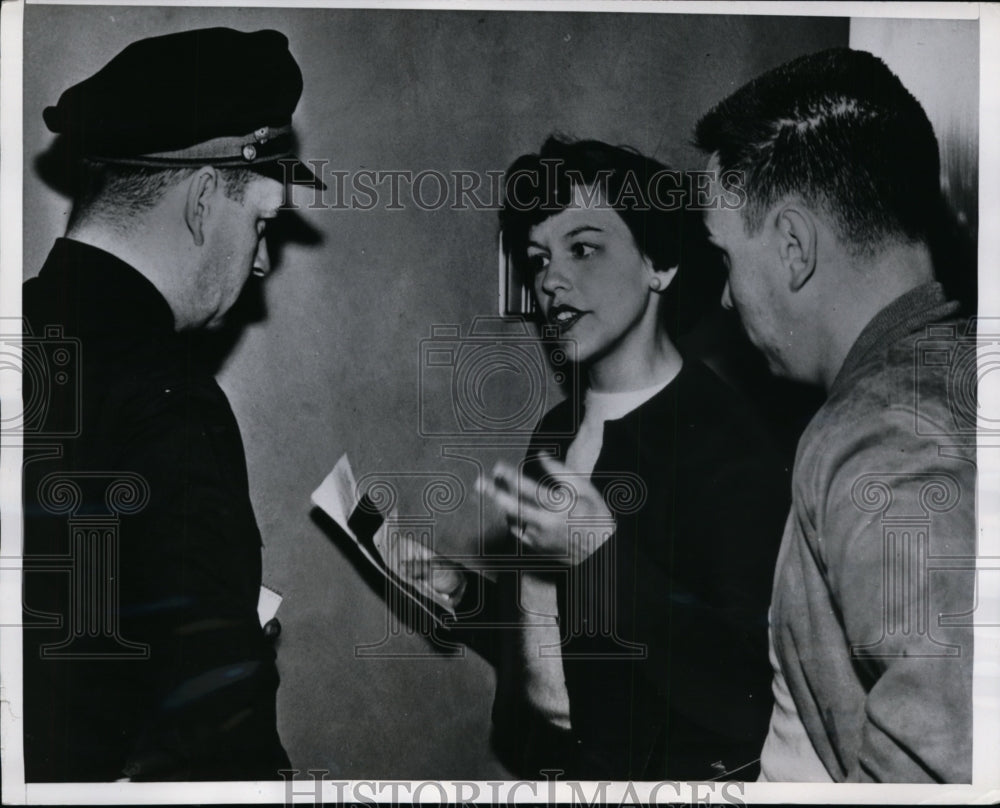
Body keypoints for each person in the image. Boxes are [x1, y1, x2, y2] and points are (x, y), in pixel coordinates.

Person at [408, 136, 791, 780]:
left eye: (584, 249)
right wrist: (466, 596)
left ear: (659, 266)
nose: (552, 281)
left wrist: (598, 555)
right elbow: (563, 629)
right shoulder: (555, 431)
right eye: (539, 260)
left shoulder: (725, 441)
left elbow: (742, 688)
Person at [21, 27, 323, 781]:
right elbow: (218, 738)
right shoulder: (171, 402)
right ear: (198, 201)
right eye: (260, 223)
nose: (259, 261)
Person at [694, 47, 975, 783]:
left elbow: (943, 758)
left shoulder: (879, 435)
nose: (727, 299)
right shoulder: (951, 377)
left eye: (725, 260)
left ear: (792, 246)